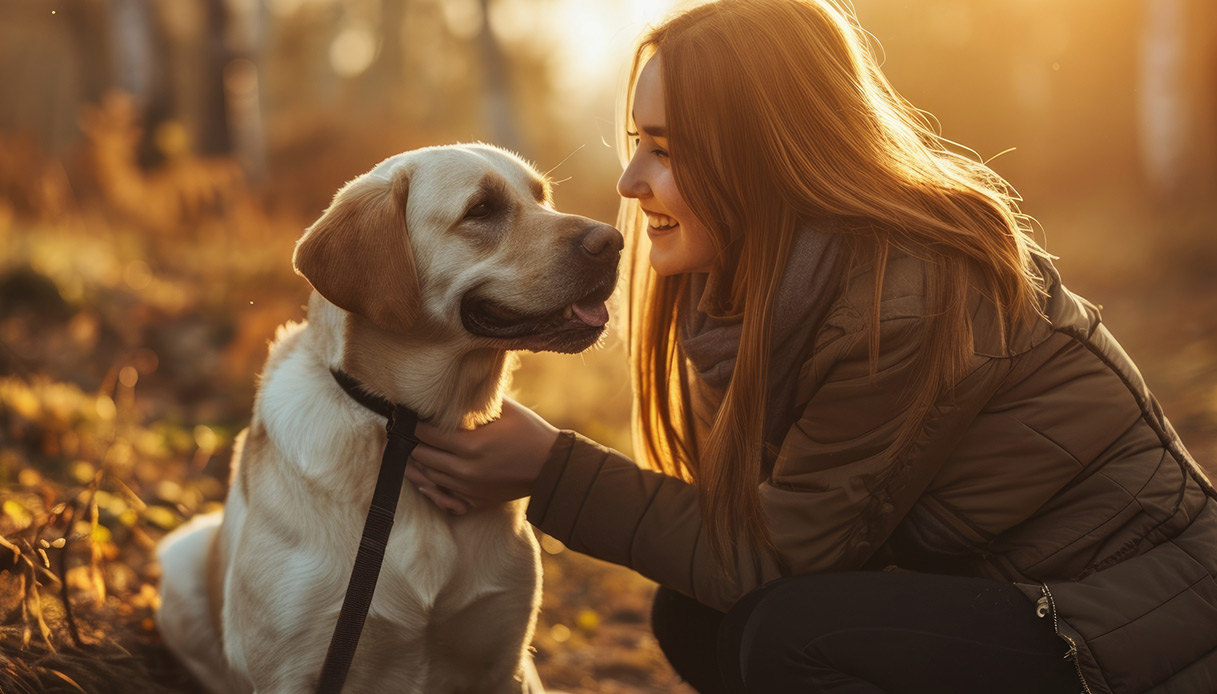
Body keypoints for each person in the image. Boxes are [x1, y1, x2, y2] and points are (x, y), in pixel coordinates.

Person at [404, 1, 1217, 692]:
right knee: (697, 612)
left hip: (1141, 617)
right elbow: (761, 529)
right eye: (637, 140)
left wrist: (553, 472)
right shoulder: (754, 290)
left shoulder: (906, 297)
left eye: (667, 149)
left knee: (783, 633)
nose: (629, 182)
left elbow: (777, 558)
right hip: (1021, 594)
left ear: (764, 156)